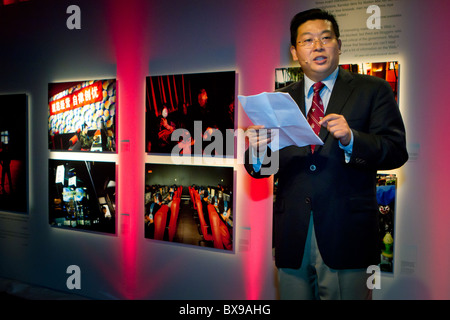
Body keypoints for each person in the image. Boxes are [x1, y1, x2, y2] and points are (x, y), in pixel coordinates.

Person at [244, 8, 408, 300]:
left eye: (326, 38)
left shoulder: (373, 90)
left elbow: (396, 151)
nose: (317, 46)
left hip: (348, 235)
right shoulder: (280, 98)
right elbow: (261, 169)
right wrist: (259, 151)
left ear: (339, 45)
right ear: (295, 52)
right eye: (307, 40)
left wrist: (352, 139)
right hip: (292, 234)